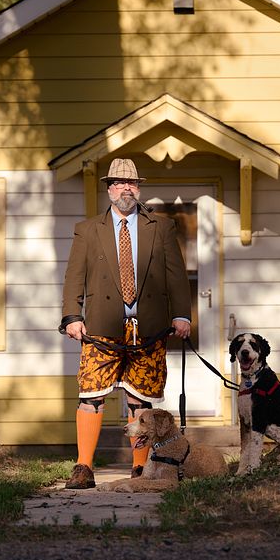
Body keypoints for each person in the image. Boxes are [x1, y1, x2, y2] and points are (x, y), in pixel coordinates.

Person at [59, 158, 192, 489]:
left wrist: (181, 314)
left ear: (138, 188)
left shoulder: (160, 227)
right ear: (109, 190)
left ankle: (140, 469)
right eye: (118, 183)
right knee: (91, 395)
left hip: (149, 327)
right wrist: (72, 315)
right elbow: (74, 276)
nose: (125, 189)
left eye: (131, 183)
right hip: (101, 326)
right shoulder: (88, 229)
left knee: (140, 400)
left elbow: (176, 274)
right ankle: (84, 467)